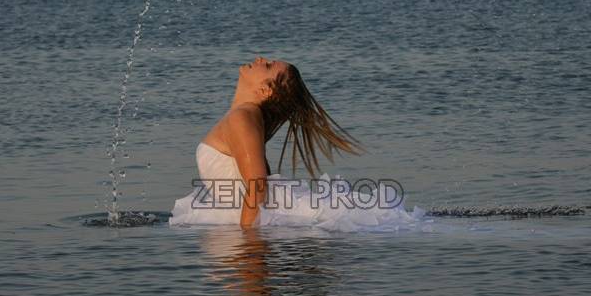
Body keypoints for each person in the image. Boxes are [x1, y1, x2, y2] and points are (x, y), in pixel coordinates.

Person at [170, 57, 424, 230]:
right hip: (247, 213)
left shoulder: (242, 117)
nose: (259, 59)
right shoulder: (246, 116)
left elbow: (257, 185)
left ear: (266, 90)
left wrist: (247, 240)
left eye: (267, 65)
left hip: (249, 219)